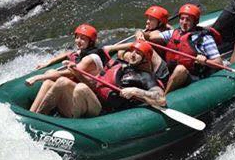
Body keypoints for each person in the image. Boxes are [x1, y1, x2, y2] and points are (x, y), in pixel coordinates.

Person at [34, 40, 166, 117]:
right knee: (62, 81)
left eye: (138, 54)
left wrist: (135, 91)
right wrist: (77, 72)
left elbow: (161, 98)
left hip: (103, 112)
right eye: (132, 51)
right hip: (93, 100)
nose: (132, 55)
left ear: (145, 59)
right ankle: (36, 116)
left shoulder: (145, 76)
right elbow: (94, 85)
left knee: (81, 88)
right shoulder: (116, 64)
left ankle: (74, 125)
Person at [139, 3, 223, 93]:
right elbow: (151, 37)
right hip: (170, 70)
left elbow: (219, 63)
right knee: (148, 48)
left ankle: (164, 96)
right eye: (182, 19)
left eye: (188, 20)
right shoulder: (173, 32)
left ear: (195, 21)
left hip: (192, 76)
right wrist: (140, 32)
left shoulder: (205, 39)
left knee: (180, 69)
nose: (184, 22)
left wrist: (205, 61)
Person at [26, 24, 109, 113]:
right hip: (79, 99)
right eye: (77, 37)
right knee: (48, 82)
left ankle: (39, 115)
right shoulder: (82, 51)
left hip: (92, 102)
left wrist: (37, 77)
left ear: (91, 42)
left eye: (83, 38)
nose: (78, 41)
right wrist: (48, 62)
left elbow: (67, 73)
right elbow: (68, 53)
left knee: (62, 81)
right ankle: (32, 114)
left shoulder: (90, 58)